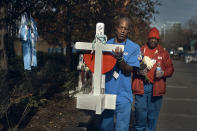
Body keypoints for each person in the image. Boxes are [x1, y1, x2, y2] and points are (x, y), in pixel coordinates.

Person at [100, 17, 140, 131]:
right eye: (121, 27)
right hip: (107, 93)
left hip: (124, 96)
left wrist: (120, 59)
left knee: (122, 128)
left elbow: (128, 70)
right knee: (105, 127)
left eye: (126, 29)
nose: (123, 31)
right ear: (116, 28)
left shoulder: (134, 48)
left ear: (128, 31)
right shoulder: (106, 45)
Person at [132, 27, 174, 131]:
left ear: (158, 40)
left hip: (156, 88)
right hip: (142, 87)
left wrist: (163, 73)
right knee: (140, 114)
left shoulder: (163, 53)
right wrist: (138, 71)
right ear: (148, 39)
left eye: (155, 38)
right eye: (151, 38)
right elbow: (131, 66)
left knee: (152, 116)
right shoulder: (141, 50)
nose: (153, 40)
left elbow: (171, 69)